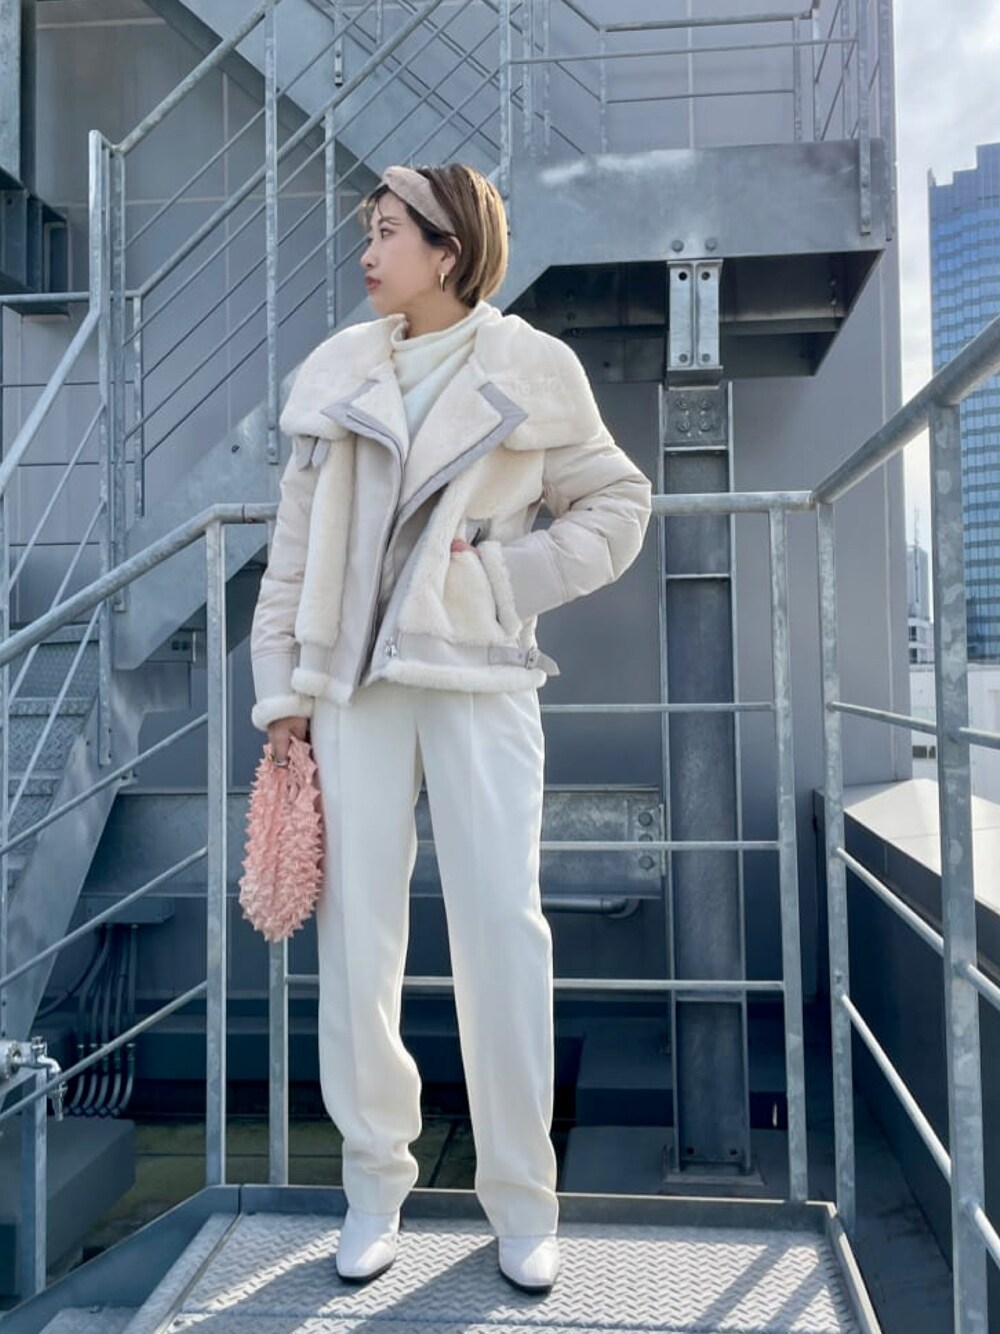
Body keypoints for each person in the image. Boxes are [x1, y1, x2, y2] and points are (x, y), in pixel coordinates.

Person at [249, 162, 652, 1294]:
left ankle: (523, 1199)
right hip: (352, 687)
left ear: (449, 250)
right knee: (357, 944)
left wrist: (497, 580)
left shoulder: (532, 366)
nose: (367, 252)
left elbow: (617, 505)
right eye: (369, 231)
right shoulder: (337, 371)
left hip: (479, 678)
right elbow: (291, 556)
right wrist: (282, 697)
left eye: (388, 232)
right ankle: (373, 1187)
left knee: (501, 935)